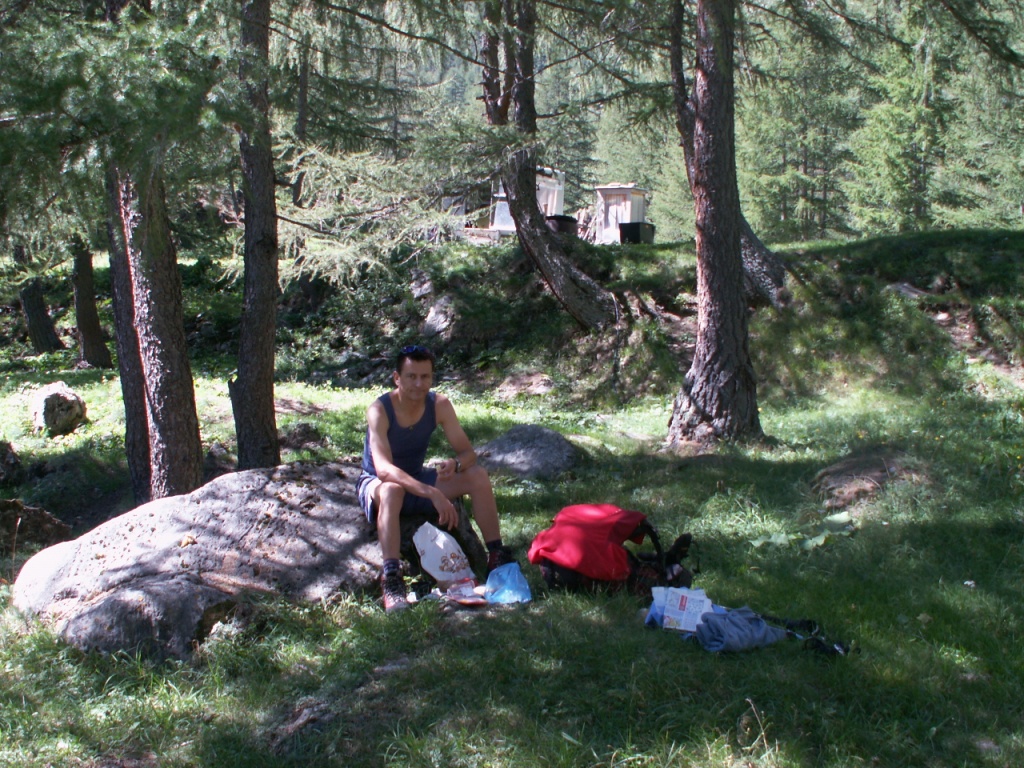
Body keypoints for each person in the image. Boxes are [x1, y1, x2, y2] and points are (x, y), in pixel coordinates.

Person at [357, 344, 513, 613]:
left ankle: (496, 556)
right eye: (411, 376)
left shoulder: (439, 405)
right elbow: (383, 470)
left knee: (477, 476)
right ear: (397, 378)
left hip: (416, 477)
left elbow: (468, 454)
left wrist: (456, 464)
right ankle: (392, 579)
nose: (419, 384)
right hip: (378, 484)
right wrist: (432, 493)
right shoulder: (379, 410)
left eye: (425, 376)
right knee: (392, 490)